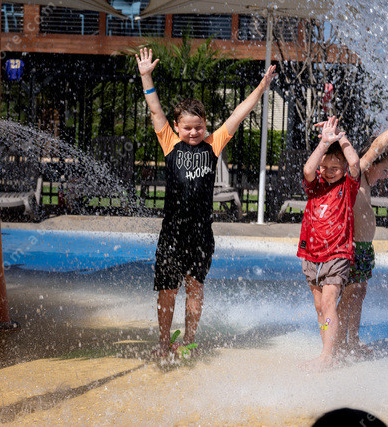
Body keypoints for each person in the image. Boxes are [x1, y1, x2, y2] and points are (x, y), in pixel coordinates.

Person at [135, 48, 277, 357]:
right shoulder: (169, 143)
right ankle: (163, 343)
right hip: (172, 232)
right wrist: (146, 76)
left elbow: (238, 114)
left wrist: (261, 87)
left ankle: (189, 341)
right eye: (187, 127)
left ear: (205, 125)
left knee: (195, 287)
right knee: (167, 290)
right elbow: (155, 110)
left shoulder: (213, 145)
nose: (193, 132)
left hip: (200, 233)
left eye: (198, 127)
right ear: (176, 126)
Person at [336, 105, 388, 355]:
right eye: (384, 170)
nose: (386, 175)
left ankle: (353, 340)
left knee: (359, 294)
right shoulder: (357, 175)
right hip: (351, 248)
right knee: (349, 294)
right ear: (372, 165)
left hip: (364, 248)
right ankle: (336, 344)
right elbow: (377, 148)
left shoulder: (368, 182)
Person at [297, 116, 361, 371]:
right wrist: (324, 143)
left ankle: (326, 356)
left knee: (328, 302)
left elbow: (355, 162)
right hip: (312, 254)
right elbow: (308, 169)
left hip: (338, 253)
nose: (329, 171)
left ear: (343, 168)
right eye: (325, 167)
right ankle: (329, 350)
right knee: (319, 306)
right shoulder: (315, 186)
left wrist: (341, 137)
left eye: (335, 167)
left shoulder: (348, 186)